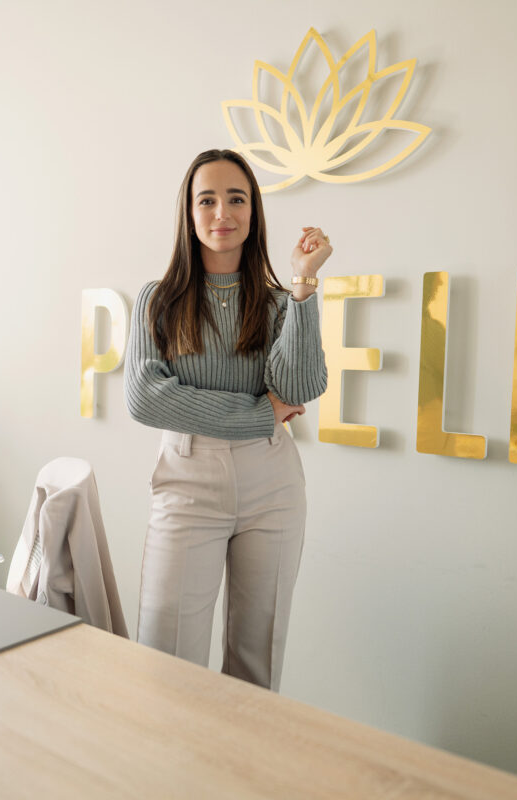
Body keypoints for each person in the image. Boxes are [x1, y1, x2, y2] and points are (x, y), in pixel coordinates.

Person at [124, 148, 331, 691]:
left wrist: (304, 284)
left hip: (272, 485)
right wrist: (260, 413)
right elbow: (146, 398)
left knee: (256, 664)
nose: (222, 213)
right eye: (207, 200)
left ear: (253, 211)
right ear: (189, 215)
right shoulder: (159, 301)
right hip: (188, 480)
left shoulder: (279, 304)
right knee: (166, 661)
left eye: (236, 199)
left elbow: (303, 386)